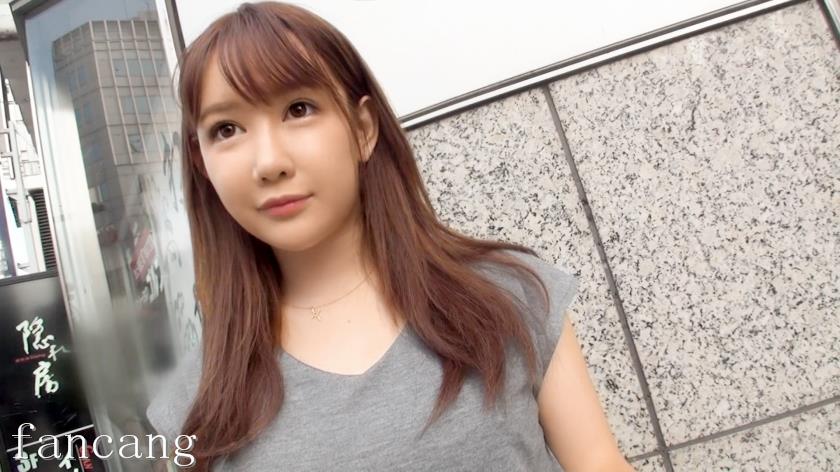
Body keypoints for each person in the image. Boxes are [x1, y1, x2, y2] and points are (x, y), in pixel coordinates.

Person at [145, 2, 635, 471]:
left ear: (362, 128)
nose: (269, 162)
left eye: (298, 108)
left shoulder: (506, 296)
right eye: (227, 129)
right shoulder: (197, 404)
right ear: (201, 163)